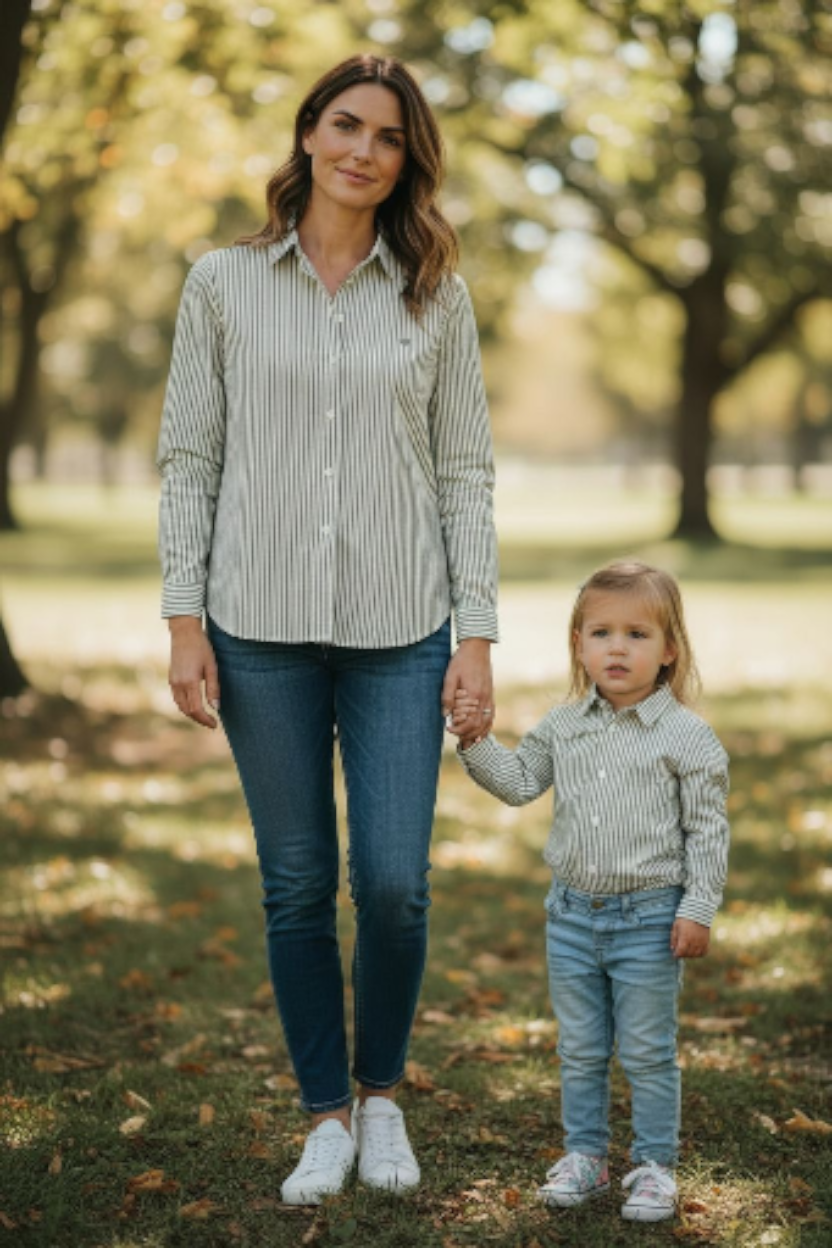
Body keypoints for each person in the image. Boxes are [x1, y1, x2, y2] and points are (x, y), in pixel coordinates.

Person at [156, 54, 499, 1205]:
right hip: (256, 628)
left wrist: (479, 637)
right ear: (307, 135)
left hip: (403, 626)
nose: (363, 150)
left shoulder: (434, 291)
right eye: (344, 126)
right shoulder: (222, 281)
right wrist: (182, 621)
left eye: (388, 137)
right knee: (297, 882)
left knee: (394, 882)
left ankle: (384, 1096)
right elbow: (190, 460)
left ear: (409, 158)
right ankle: (323, 1115)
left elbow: (464, 471)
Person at [449, 560, 729, 1224]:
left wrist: (697, 908)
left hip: (650, 918)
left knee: (646, 1049)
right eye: (600, 632)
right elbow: (519, 783)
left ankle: (654, 1165)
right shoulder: (562, 726)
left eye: (637, 634)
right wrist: (474, 742)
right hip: (571, 916)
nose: (617, 647)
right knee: (578, 1046)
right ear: (578, 643)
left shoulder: (686, 736)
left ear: (668, 652)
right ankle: (586, 1158)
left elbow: (708, 830)